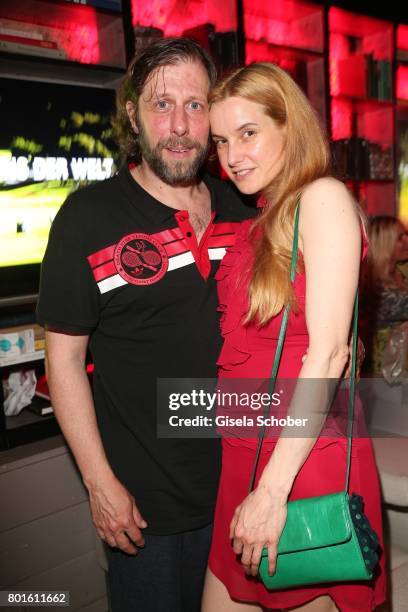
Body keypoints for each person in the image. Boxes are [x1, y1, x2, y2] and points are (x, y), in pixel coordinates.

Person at [36, 38, 255, 612]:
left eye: (196, 104)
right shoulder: (89, 218)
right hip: (144, 511)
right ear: (132, 112)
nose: (180, 125)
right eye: (162, 105)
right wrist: (100, 486)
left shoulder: (246, 209)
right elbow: (62, 363)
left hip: (244, 491)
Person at [202, 63, 386, 611]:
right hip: (248, 459)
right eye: (221, 141)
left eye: (248, 133)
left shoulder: (321, 198)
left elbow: (329, 351)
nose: (232, 156)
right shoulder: (263, 220)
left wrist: (272, 489)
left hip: (299, 465)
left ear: (291, 127)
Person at [361, 215, 408, 376]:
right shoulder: (372, 284)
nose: (406, 241)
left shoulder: (402, 271)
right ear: (383, 243)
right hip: (386, 367)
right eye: (400, 238)